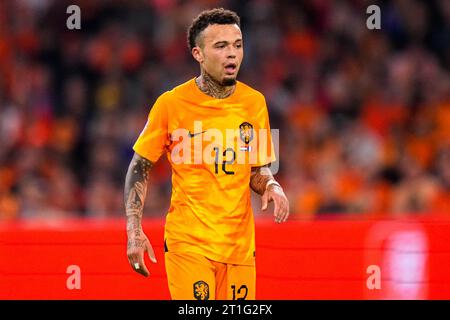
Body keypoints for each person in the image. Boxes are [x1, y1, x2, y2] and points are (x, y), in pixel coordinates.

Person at [124, 8, 289, 300]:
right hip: (189, 242)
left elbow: (258, 169)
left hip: (239, 247)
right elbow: (139, 166)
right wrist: (134, 230)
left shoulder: (255, 103)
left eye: (237, 45)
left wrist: (272, 186)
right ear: (198, 54)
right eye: (221, 46)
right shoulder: (171, 104)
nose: (232, 55)